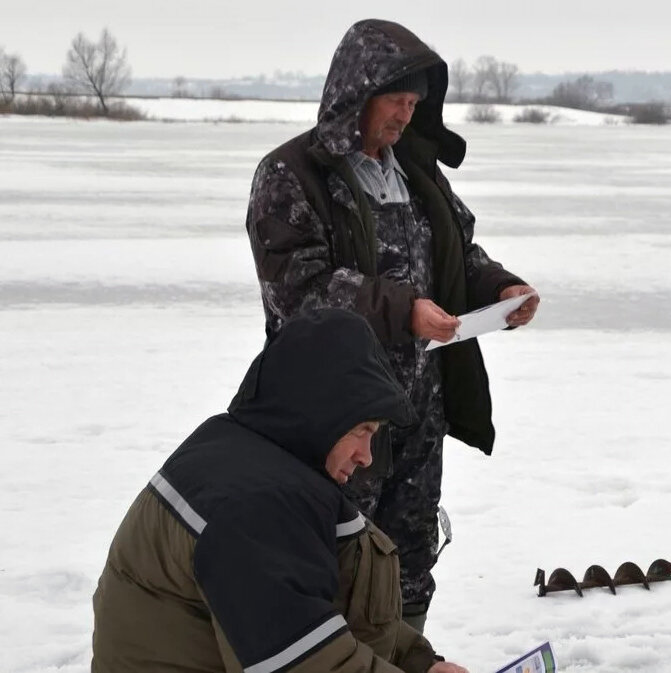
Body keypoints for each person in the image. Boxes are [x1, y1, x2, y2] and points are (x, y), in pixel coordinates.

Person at [244, 19, 539, 632]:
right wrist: (404, 309)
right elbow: (298, 292)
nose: (406, 116)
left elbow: (459, 253)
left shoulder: (416, 171)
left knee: (409, 563)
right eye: (396, 100)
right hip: (334, 420)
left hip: (416, 414)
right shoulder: (291, 175)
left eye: (414, 104)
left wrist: (501, 289)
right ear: (358, 92)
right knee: (335, 559)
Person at [92, 309, 469, 673]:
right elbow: (301, 662)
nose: (366, 457)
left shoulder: (252, 457)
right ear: (322, 410)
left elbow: (313, 606)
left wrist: (420, 663)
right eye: (362, 431)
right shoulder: (255, 504)